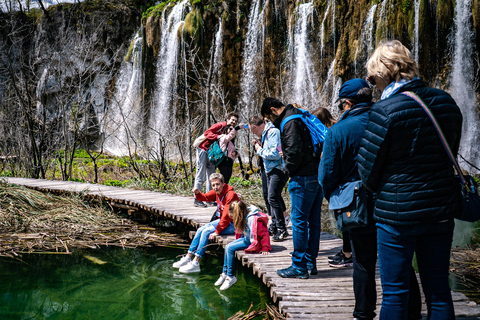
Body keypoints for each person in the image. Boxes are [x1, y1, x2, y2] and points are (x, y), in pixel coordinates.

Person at [357, 40, 462, 319]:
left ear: (383, 72)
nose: (373, 83)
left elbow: (367, 172)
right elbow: (451, 152)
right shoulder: (446, 102)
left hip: (397, 214)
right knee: (439, 289)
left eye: (372, 76)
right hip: (440, 210)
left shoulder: (384, 110)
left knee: (395, 292)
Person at [261, 98, 323, 279]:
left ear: (273, 110)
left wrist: (286, 170)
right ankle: (311, 262)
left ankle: (299, 266)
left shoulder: (289, 122)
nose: (270, 122)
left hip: (303, 178)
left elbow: (294, 153)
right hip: (316, 175)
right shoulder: (299, 115)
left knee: (299, 223)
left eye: (268, 118)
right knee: (313, 222)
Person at [173, 172, 239, 273]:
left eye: (217, 184)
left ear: (223, 183)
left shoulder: (230, 195)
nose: (215, 187)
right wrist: (198, 194)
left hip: (234, 224)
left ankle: (196, 262)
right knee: (200, 229)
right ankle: (188, 257)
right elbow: (206, 197)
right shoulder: (217, 192)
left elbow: (226, 216)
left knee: (206, 231)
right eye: (213, 185)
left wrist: (217, 232)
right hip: (224, 221)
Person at [312, 107, 354, 268]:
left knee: (345, 220)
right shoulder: (340, 127)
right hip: (348, 180)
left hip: (341, 182)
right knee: (347, 220)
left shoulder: (330, 132)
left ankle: (348, 254)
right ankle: (346, 251)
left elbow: (329, 160)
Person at [214, 200, 271, 290]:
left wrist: (265, 248)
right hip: (246, 238)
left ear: (240, 214)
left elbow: (265, 234)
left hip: (253, 241)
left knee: (230, 248)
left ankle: (230, 276)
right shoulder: (245, 216)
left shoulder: (253, 219)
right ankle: (224, 273)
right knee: (228, 246)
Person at [248, 115, 289, 241]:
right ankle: (276, 225)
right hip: (270, 169)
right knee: (272, 196)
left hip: (278, 168)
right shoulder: (266, 134)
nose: (253, 133)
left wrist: (259, 149)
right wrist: (261, 145)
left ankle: (282, 229)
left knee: (273, 196)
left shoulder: (273, 132)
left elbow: (275, 154)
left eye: (252, 130)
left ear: (255, 127)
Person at [194, 112, 239, 207]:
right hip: (203, 149)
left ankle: (209, 199)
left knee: (212, 175)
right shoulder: (220, 125)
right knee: (200, 173)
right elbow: (207, 133)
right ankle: (196, 199)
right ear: (227, 119)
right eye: (232, 120)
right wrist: (218, 136)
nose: (234, 122)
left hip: (213, 153)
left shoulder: (229, 130)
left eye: (235, 121)